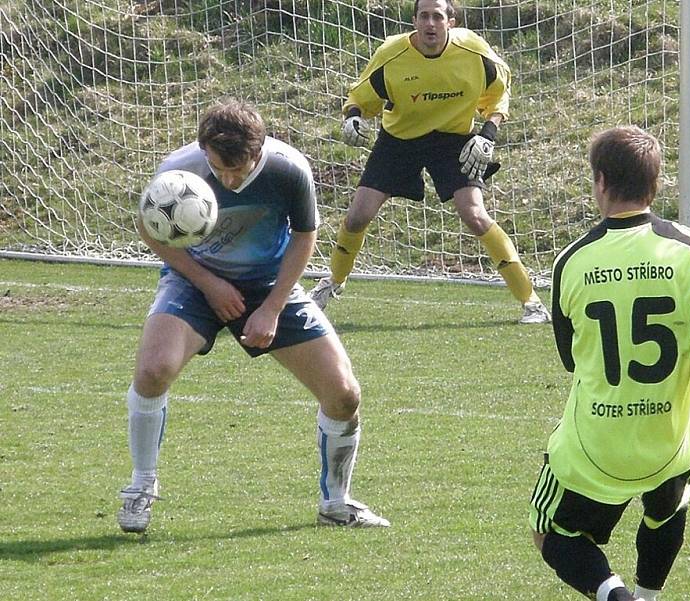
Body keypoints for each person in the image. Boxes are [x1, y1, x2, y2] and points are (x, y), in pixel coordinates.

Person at [117, 99, 389, 533]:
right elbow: (149, 228)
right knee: (153, 371)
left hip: (268, 283)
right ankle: (141, 487)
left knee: (344, 394)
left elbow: (305, 236)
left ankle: (337, 503)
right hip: (194, 280)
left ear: (257, 152)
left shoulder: (288, 169)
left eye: (236, 172)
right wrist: (209, 284)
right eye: (218, 169)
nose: (226, 179)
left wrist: (273, 307)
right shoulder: (179, 170)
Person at [528, 126, 690, 601]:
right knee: (667, 509)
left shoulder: (573, 260)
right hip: (669, 444)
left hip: (596, 445)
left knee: (550, 532)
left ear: (600, 181)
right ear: (656, 183)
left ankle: (617, 597)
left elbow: (570, 357)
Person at [310, 0, 550, 324]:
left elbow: (500, 92)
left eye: (438, 16)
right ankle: (331, 283)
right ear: (415, 22)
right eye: (424, 16)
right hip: (399, 141)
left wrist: (488, 134)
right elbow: (360, 97)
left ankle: (532, 303)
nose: (430, 23)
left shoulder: (475, 52)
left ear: (451, 21)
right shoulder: (391, 54)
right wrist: (353, 118)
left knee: (475, 215)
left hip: (452, 140)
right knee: (357, 217)